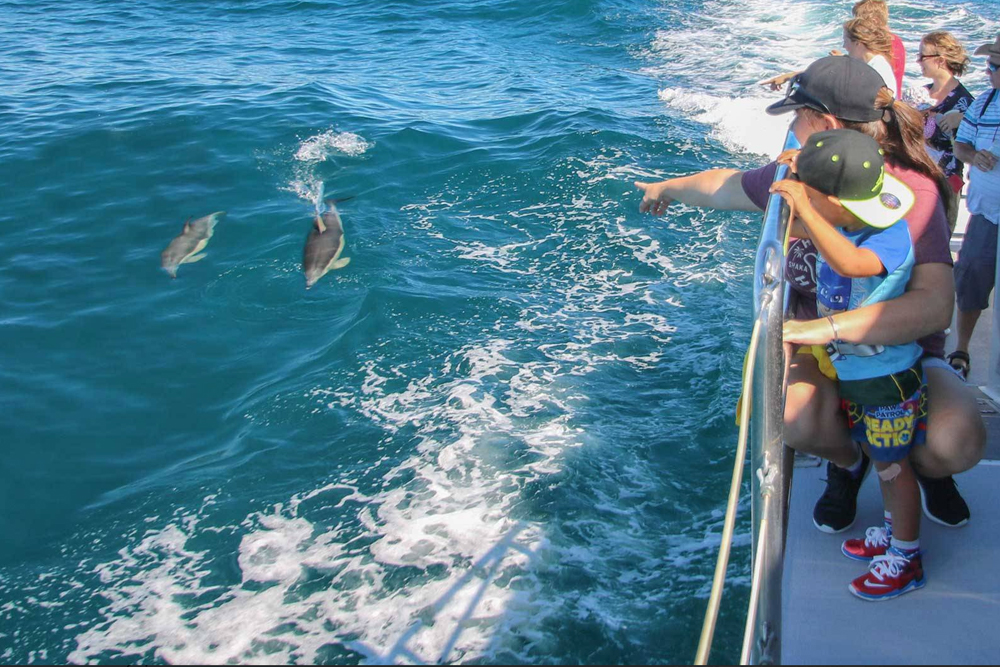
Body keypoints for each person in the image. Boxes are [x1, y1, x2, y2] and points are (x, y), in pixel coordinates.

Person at [635, 56, 984, 533]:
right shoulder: (803, 177)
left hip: (901, 356)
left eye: (798, 118)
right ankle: (850, 463)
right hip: (823, 354)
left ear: (825, 124)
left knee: (957, 440)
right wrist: (666, 187)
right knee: (789, 417)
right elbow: (726, 185)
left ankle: (924, 468)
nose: (793, 130)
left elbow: (933, 305)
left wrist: (818, 328)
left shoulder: (908, 193)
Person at [771, 129, 926, 600]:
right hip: (859, 373)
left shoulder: (888, 236)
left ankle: (906, 555)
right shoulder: (851, 218)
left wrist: (804, 199)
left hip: (887, 379)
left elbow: (852, 263)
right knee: (880, 459)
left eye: (818, 200)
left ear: (835, 203)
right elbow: (821, 228)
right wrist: (798, 174)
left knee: (893, 468)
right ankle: (890, 530)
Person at [947, 35, 1000, 380]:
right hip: (985, 215)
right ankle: (962, 349)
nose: (988, 70)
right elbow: (961, 146)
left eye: (995, 65)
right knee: (970, 281)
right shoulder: (982, 104)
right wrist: (973, 155)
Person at [914, 32, 975, 199]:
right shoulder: (921, 94)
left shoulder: (965, 102)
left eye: (922, 56)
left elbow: (977, 145)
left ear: (940, 60)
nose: (918, 61)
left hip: (946, 184)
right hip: (918, 179)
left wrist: (963, 121)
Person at [852, 0, 905, 96]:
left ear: (874, 21)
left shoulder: (886, 45)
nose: (857, 27)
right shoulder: (894, 40)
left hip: (885, 101)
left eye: (859, 22)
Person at [843, 18, 898, 99]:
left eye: (845, 41)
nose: (844, 46)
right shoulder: (866, 64)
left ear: (858, 43)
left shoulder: (879, 67)